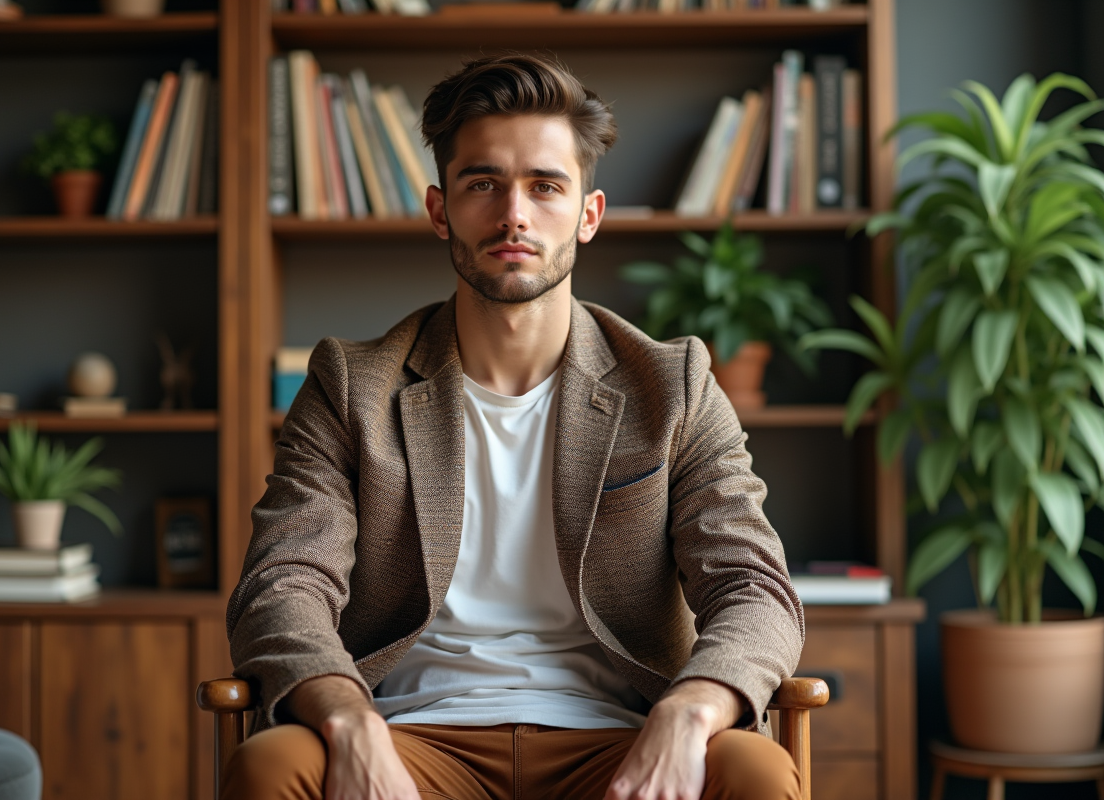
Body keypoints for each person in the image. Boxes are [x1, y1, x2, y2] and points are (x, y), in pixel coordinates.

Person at [223, 53, 804, 800]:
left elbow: (754, 587)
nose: (514, 215)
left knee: (755, 772)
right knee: (270, 768)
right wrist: (346, 720)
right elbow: (282, 584)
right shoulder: (350, 384)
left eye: (545, 186)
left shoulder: (672, 383)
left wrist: (690, 713)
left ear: (588, 215)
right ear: (440, 211)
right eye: (483, 184)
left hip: (615, 736)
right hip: (411, 739)